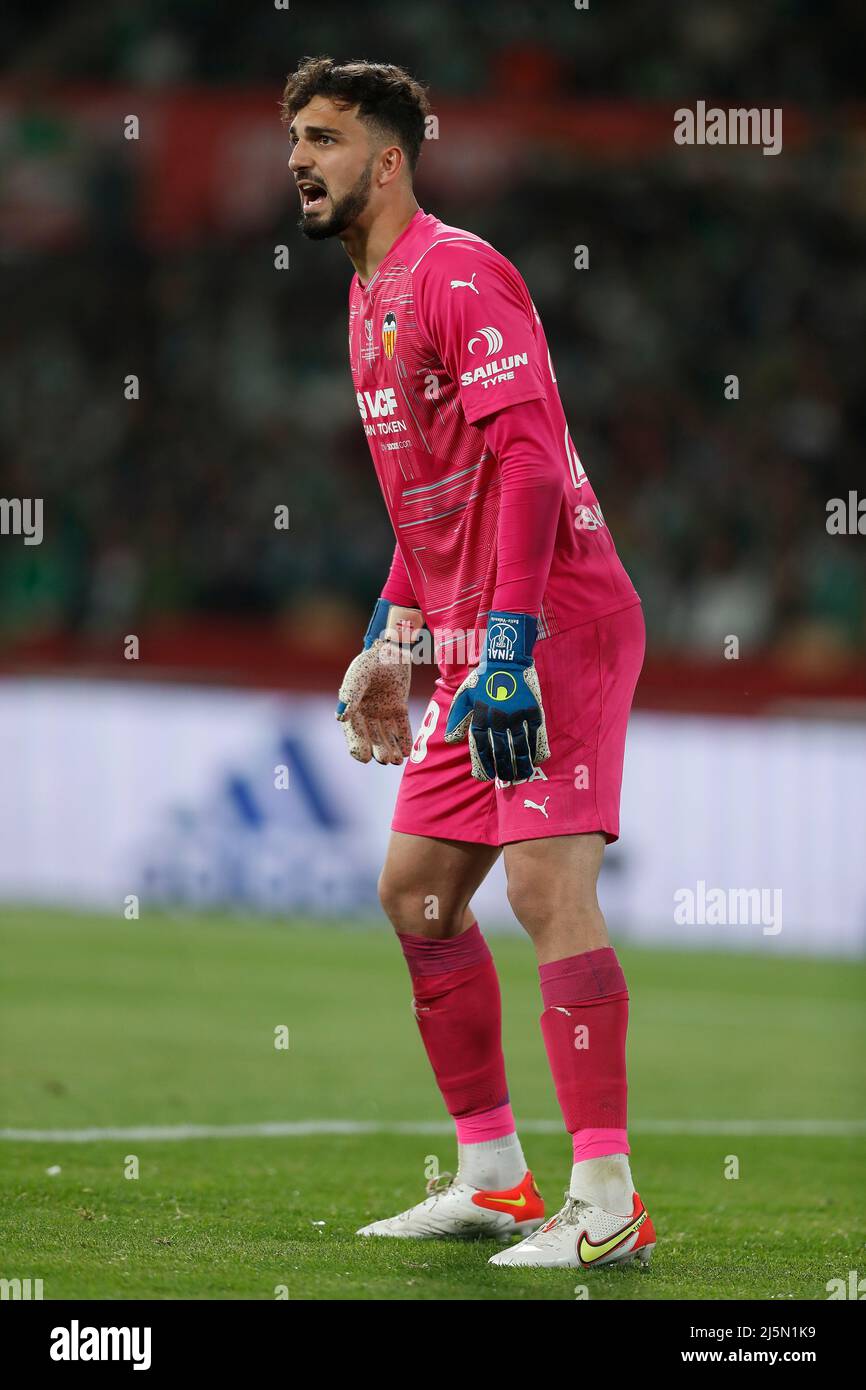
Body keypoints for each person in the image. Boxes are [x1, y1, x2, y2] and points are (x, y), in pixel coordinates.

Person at [282, 56, 654, 1270]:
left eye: (325, 138)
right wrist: (394, 638)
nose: (299, 158)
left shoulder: (456, 271)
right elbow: (432, 496)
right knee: (418, 895)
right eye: (295, 137)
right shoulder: (364, 296)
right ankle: (494, 1175)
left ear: (388, 159)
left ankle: (606, 1202)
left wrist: (504, 648)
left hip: (556, 623)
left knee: (546, 890)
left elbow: (531, 461)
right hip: (468, 628)